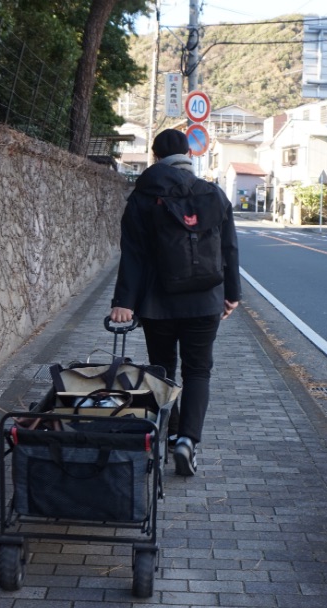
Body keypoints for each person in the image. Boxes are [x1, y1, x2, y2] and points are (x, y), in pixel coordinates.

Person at [109, 129, 241, 476]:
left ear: (154, 157)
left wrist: (124, 301)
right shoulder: (212, 192)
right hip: (205, 300)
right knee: (198, 371)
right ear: (189, 154)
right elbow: (229, 247)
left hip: (158, 302)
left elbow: (133, 253)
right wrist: (232, 293)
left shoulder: (143, 196)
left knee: (163, 369)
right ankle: (188, 441)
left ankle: (168, 436)